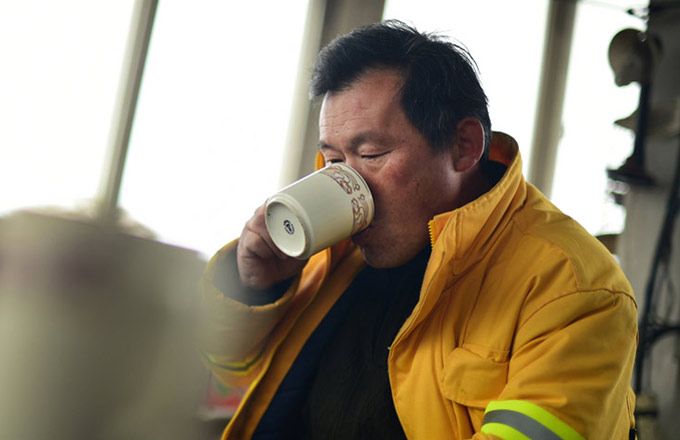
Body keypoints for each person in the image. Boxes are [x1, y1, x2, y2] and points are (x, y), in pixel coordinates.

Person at [199, 20, 638, 439]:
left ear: (463, 146)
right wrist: (253, 288)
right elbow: (229, 368)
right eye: (333, 160)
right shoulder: (334, 250)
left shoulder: (572, 286)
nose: (345, 183)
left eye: (371, 154)